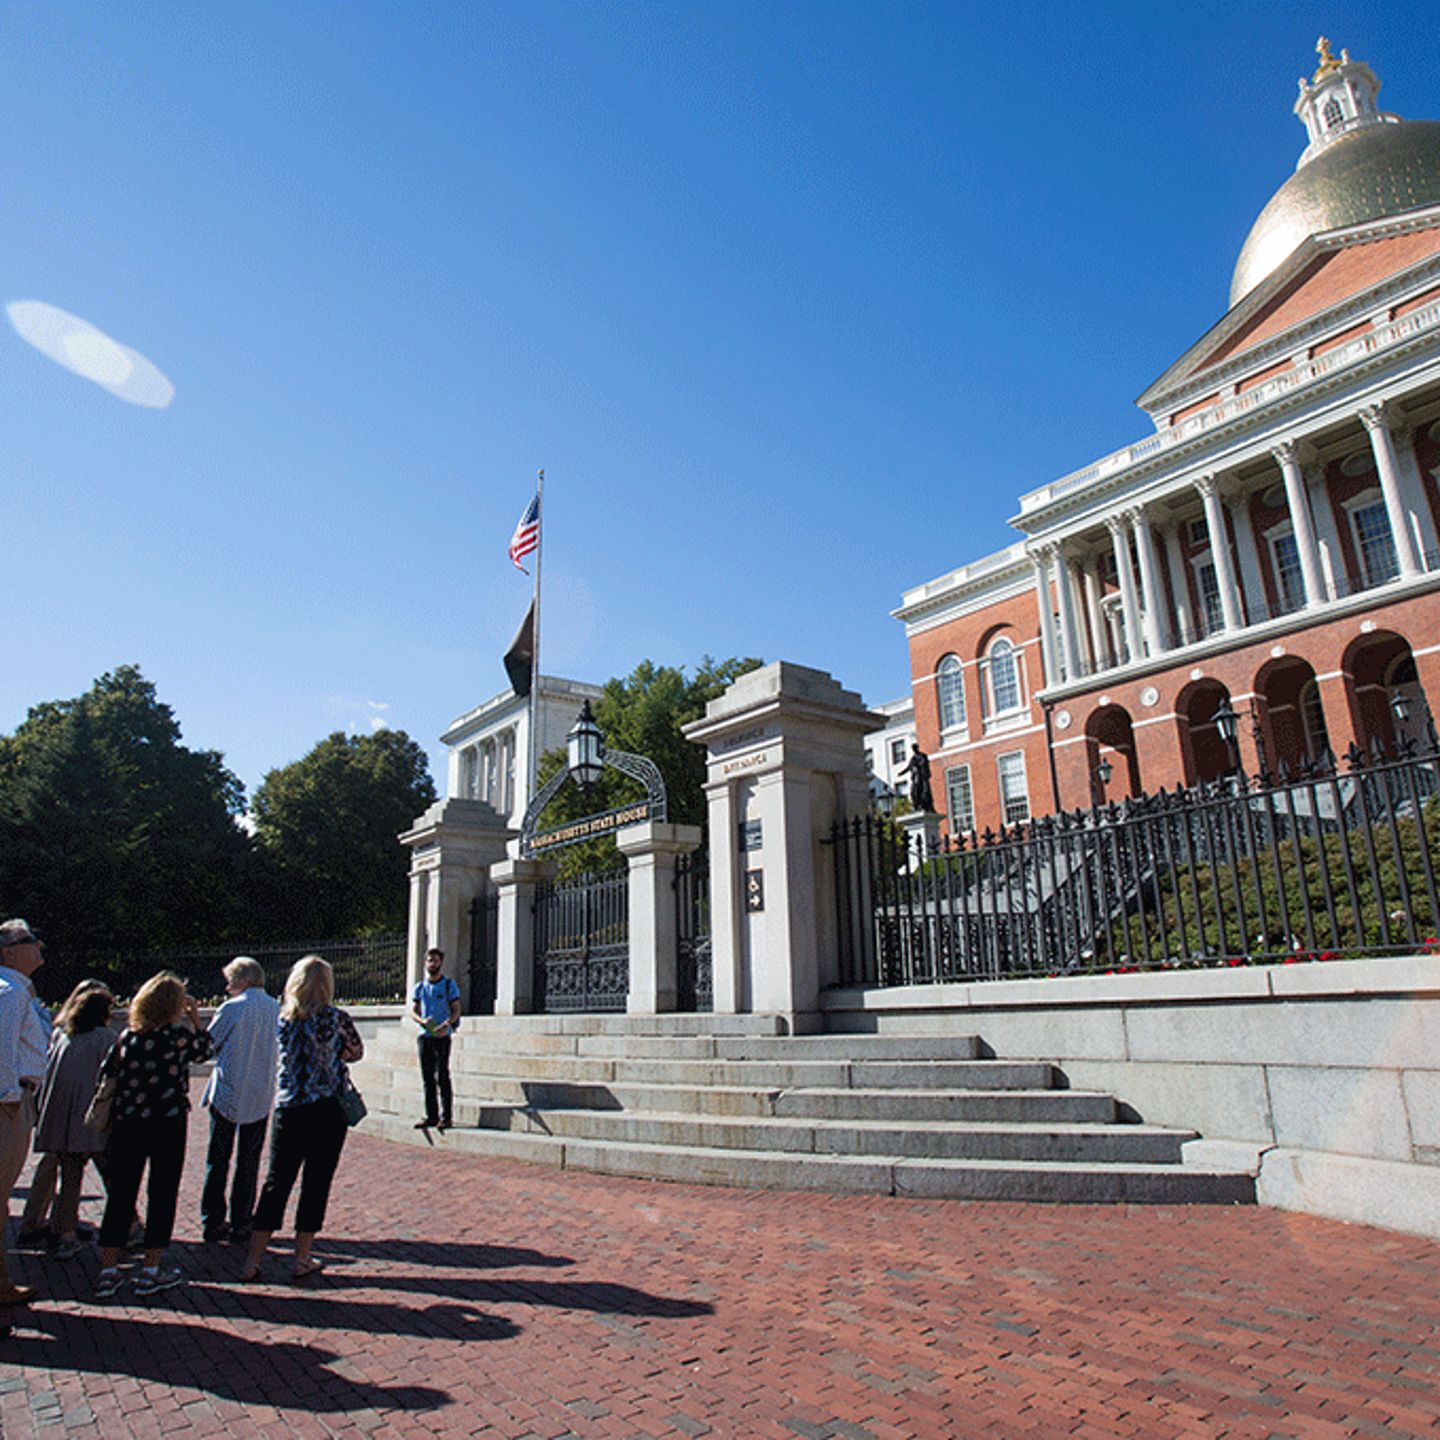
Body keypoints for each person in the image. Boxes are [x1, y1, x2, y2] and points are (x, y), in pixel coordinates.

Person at [242, 955, 363, 1283]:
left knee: (275, 1183)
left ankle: (253, 1260)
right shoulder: (336, 1019)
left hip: (290, 1107)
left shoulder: (283, 1019)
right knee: (316, 1182)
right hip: (327, 1109)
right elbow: (356, 1051)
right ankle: (302, 1257)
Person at [94, 973, 213, 1299]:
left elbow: (108, 1072)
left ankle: (108, 1268)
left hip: (129, 1120)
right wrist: (195, 1019)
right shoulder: (176, 1036)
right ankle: (151, 1267)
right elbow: (204, 1051)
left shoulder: (128, 1037)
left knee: (121, 1193)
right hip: (167, 1121)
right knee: (162, 1191)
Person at [21, 983, 117, 1259]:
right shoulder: (106, 1039)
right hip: (91, 1120)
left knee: (70, 1178)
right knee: (112, 1174)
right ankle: (129, 1225)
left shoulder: (63, 1035)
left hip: (61, 1119)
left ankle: (64, 1233)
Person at [199, 957, 280, 1245]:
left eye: (232, 979)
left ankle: (213, 1220)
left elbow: (208, 1045)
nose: (228, 985)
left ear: (244, 979)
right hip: (259, 1093)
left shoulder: (233, 1008)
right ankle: (242, 1220)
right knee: (249, 1162)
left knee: (218, 1161)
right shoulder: (275, 1008)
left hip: (229, 1092)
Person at [0, 919, 52, 1306]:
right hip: (10, 1101)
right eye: (28, 940)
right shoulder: (9, 993)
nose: (37, 945)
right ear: (8, 951)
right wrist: (8, 1098)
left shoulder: (16, 991)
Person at [411, 947, 460, 1131]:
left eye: (435, 960)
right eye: (429, 960)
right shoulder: (420, 987)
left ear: (441, 963)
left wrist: (447, 1024)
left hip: (442, 1037)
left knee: (443, 1076)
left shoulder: (448, 985)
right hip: (425, 1036)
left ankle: (446, 1116)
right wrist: (422, 1021)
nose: (432, 964)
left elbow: (456, 1010)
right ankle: (431, 1115)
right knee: (427, 1078)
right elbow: (414, 1011)